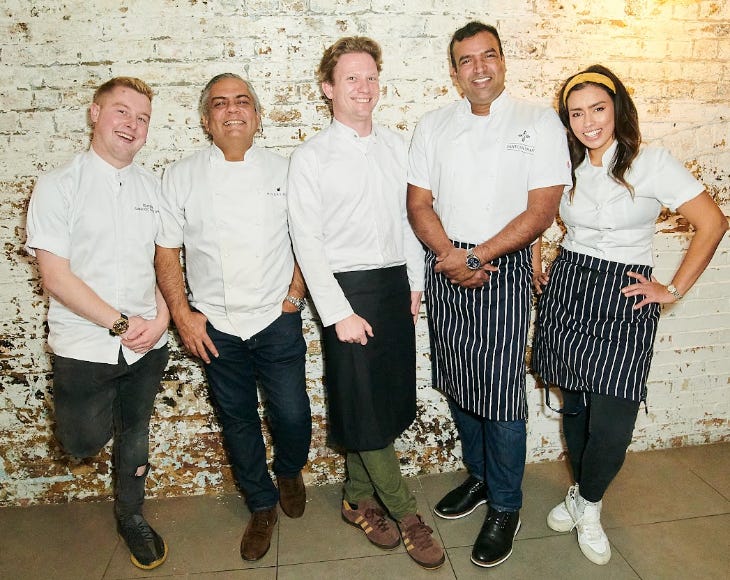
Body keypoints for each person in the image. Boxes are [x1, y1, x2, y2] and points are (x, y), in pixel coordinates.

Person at [531, 64, 728, 565]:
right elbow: (536, 213)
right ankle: (580, 494)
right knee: (574, 404)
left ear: (618, 109)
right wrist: (539, 255)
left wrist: (674, 289)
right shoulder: (567, 165)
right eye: (576, 113)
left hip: (625, 295)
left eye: (598, 108)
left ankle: (588, 503)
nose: (588, 122)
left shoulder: (652, 162)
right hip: (571, 286)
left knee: (613, 421)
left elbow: (713, 222)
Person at [407, 21, 572, 568]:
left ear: (503, 62)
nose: (480, 68)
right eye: (467, 60)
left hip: (501, 264)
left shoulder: (538, 120)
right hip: (446, 261)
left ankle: (506, 504)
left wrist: (479, 257)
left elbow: (541, 210)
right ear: (454, 73)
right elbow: (419, 204)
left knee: (499, 393)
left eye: (489, 56)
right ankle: (479, 477)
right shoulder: (433, 125)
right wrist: (452, 258)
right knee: (457, 377)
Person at [287, 37, 445, 570]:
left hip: (394, 284)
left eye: (371, 76)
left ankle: (356, 499)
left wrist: (415, 282)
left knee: (381, 401)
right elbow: (306, 241)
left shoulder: (399, 146)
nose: (364, 87)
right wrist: (338, 313)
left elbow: (409, 219)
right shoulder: (310, 156)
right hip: (346, 293)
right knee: (366, 405)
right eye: (351, 77)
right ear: (329, 88)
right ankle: (405, 515)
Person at [154, 73, 312, 562]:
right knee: (237, 419)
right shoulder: (180, 176)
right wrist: (183, 315)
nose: (233, 110)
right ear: (207, 120)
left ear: (258, 116)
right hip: (215, 325)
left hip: (275, 317)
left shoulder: (287, 171)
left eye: (243, 101)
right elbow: (166, 251)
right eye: (220, 104)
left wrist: (293, 297)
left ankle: (288, 468)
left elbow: (308, 239)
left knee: (291, 412)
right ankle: (261, 504)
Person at [25, 77, 171, 570]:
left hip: (146, 343)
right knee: (82, 440)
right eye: (122, 112)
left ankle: (131, 515)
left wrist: (163, 320)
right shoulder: (57, 185)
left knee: (136, 431)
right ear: (94, 113)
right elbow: (55, 275)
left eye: (143, 118)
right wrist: (120, 323)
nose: (132, 125)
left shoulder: (154, 188)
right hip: (85, 345)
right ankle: (98, 421)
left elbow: (163, 267)